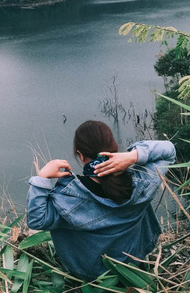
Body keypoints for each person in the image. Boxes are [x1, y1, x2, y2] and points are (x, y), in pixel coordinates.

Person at [26, 120, 176, 281]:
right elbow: (169, 151)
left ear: (80, 155)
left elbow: (36, 220)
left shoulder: (67, 197)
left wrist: (43, 178)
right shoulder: (142, 182)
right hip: (132, 264)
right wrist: (133, 156)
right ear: (115, 149)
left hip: (87, 274)